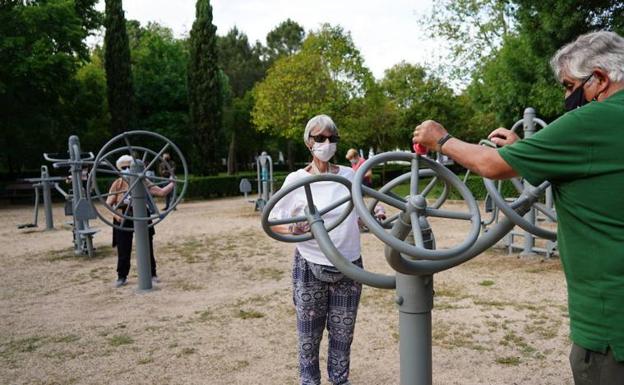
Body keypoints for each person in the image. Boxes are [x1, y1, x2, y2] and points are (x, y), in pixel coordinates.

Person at [411, 30, 624, 384]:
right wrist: (526, 148)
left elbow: (491, 165)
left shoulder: (591, 122)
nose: (567, 97)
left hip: (610, 329)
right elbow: (593, 171)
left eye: (571, 87)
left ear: (600, 79)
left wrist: (441, 139)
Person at [270, 115, 379, 385]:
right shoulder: (296, 180)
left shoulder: (348, 175)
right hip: (310, 263)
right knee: (309, 335)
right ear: (309, 142)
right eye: (320, 138)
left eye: (332, 139)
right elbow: (274, 221)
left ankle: (340, 380)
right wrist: (293, 230)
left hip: (349, 264)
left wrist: (377, 214)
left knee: (343, 335)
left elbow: (361, 211)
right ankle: (310, 382)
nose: (326, 143)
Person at [107, 155, 176, 287]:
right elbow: (109, 203)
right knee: (123, 248)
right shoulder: (118, 183)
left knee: (147, 246)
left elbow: (161, 192)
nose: (128, 170)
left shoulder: (143, 181)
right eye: (125, 167)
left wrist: (172, 183)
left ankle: (152, 274)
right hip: (123, 217)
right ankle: (122, 276)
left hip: (142, 217)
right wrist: (117, 216)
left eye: (130, 167)